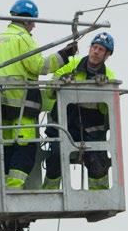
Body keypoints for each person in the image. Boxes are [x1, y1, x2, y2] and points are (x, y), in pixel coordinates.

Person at [0, 0, 77, 189]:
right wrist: (64, 55)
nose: (34, 26)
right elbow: (39, 66)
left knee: (7, 146)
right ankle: (13, 188)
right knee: (26, 148)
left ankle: (4, 188)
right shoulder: (23, 39)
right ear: (26, 21)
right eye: (33, 22)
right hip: (21, 107)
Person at [42, 32, 116, 191]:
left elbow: (107, 110)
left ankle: (99, 198)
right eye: (94, 47)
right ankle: (50, 193)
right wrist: (60, 81)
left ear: (107, 55)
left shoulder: (109, 76)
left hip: (91, 129)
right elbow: (49, 90)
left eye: (101, 49)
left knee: (98, 162)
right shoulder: (73, 65)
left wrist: (104, 90)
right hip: (65, 124)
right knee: (56, 157)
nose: (96, 51)